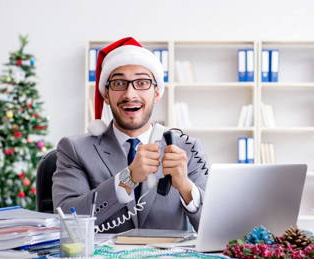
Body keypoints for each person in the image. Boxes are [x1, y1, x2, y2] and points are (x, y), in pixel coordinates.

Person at [52, 37, 208, 233]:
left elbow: (215, 229)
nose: (130, 94)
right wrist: (127, 179)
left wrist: (186, 187)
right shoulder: (74, 149)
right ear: (106, 95)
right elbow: (68, 221)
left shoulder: (187, 149)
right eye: (119, 83)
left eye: (142, 82)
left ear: (157, 93)